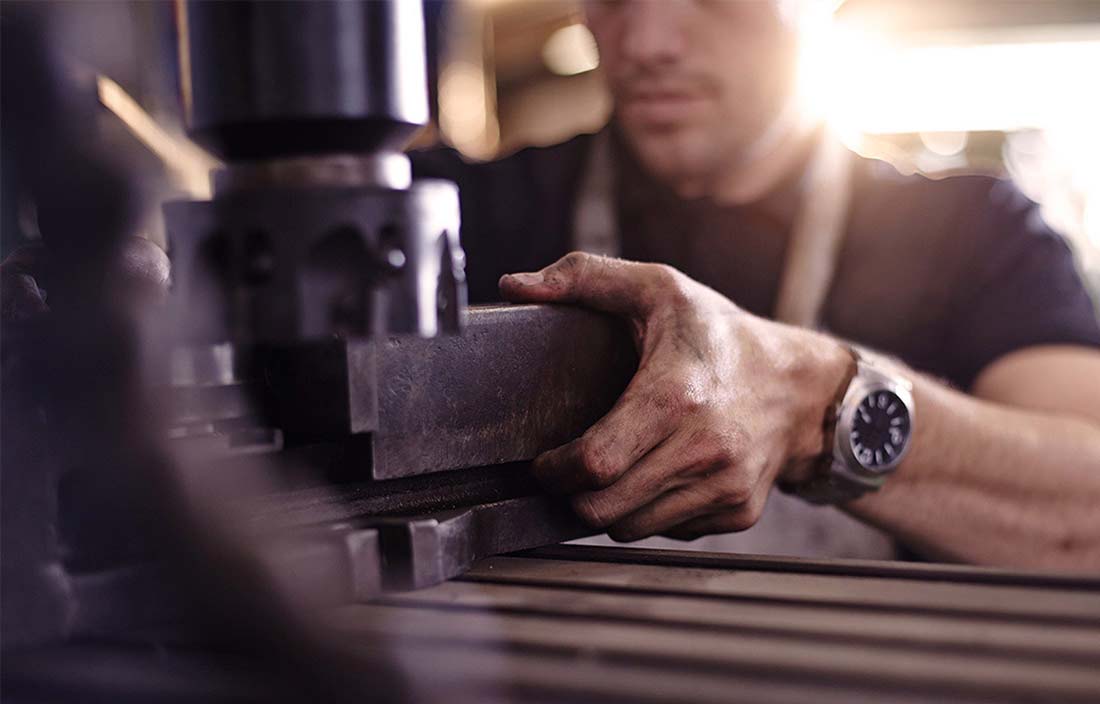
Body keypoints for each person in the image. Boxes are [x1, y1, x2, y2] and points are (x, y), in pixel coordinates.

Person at [409, 0, 1100, 568]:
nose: (647, 41)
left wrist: (819, 408)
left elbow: (1085, 513)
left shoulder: (975, 232)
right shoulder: (453, 213)